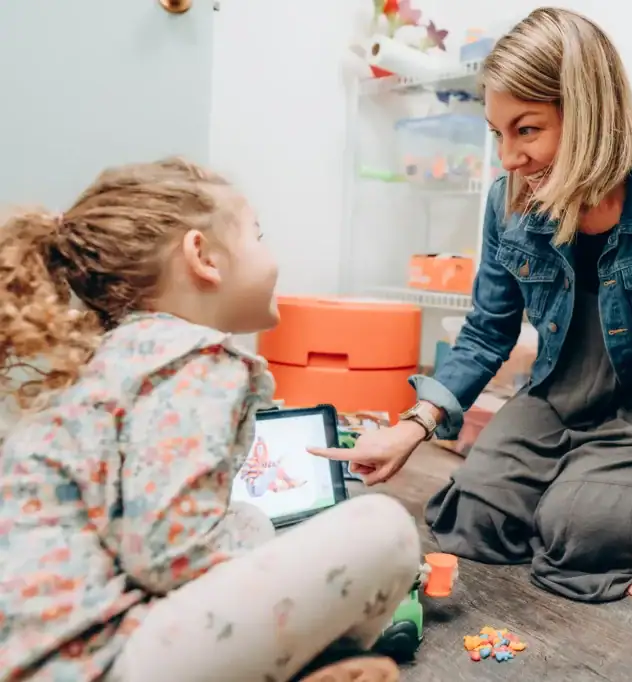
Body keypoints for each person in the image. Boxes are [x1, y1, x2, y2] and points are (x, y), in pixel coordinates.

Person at [311, 7, 632, 606]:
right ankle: (584, 485)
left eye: (527, 130)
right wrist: (412, 427)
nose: (508, 160)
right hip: (555, 398)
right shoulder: (510, 202)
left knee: (587, 533)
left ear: (592, 116)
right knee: (472, 517)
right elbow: (485, 334)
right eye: (498, 133)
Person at [0, 159, 417, 682]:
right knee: (386, 528)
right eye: (259, 235)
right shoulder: (192, 357)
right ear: (203, 256)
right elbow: (169, 554)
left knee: (250, 521)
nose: (273, 255)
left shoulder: (125, 352)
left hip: (42, 650)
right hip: (93, 662)